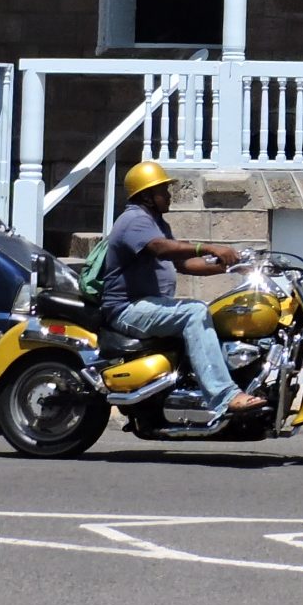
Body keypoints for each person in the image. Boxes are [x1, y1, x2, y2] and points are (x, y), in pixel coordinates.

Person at [100, 160, 262, 418]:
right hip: (127, 308)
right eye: (162, 190)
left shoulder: (157, 223)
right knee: (194, 312)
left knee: (217, 314)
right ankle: (225, 395)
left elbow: (185, 264)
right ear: (147, 196)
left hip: (149, 304)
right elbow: (161, 249)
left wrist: (229, 267)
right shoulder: (134, 220)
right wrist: (208, 247)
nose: (168, 195)